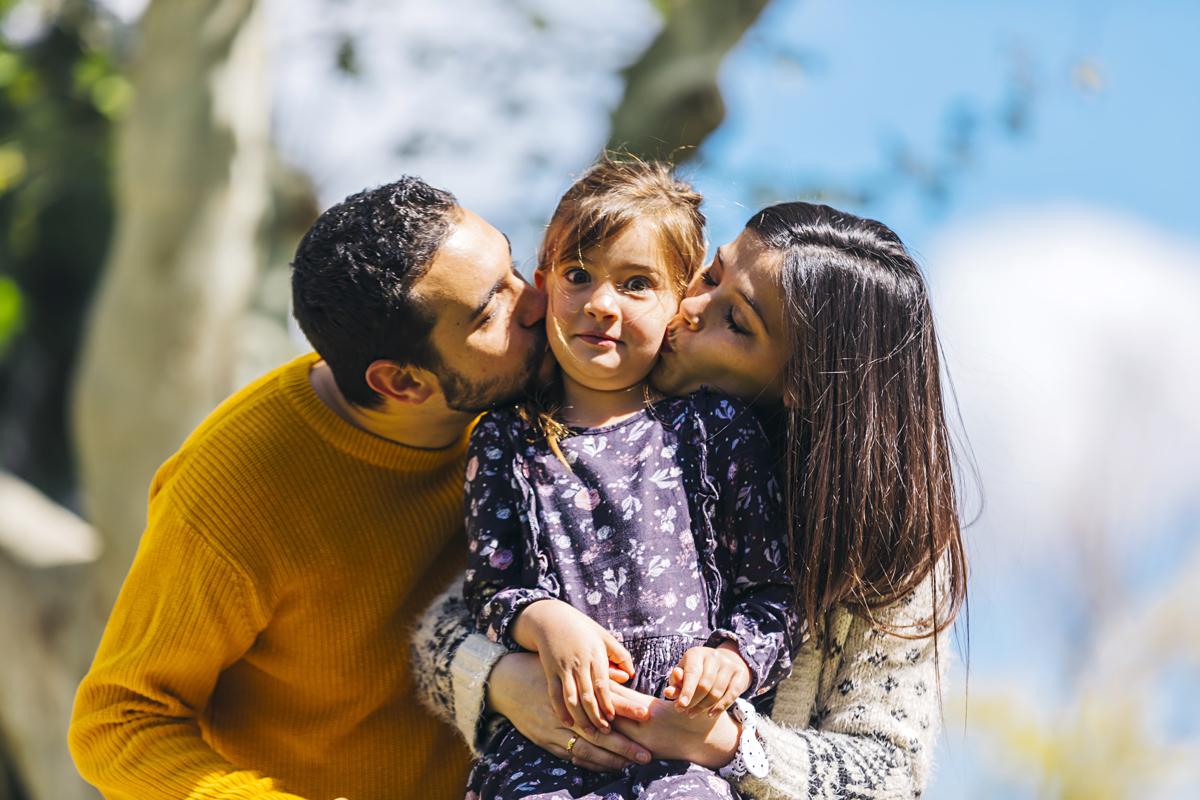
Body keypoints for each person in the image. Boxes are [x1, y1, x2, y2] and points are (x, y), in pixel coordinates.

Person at [413, 201, 969, 799]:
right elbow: (450, 623)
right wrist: (507, 681)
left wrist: (725, 743)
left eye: (737, 321)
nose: (690, 308)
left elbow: (890, 777)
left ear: (804, 383)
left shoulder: (889, 555)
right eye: (710, 276)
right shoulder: (569, 427)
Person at [68, 177, 553, 800]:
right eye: (490, 312)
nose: (536, 302)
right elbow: (117, 722)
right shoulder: (230, 494)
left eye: (513, 268)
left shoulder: (534, 376)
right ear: (403, 383)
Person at [461, 160, 800, 799]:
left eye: (637, 283)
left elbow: (773, 593)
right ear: (543, 284)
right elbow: (488, 587)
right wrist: (544, 622)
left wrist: (731, 659)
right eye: (577, 275)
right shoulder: (506, 438)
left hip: (682, 752)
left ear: (678, 304)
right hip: (549, 744)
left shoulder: (715, 431)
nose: (600, 303)